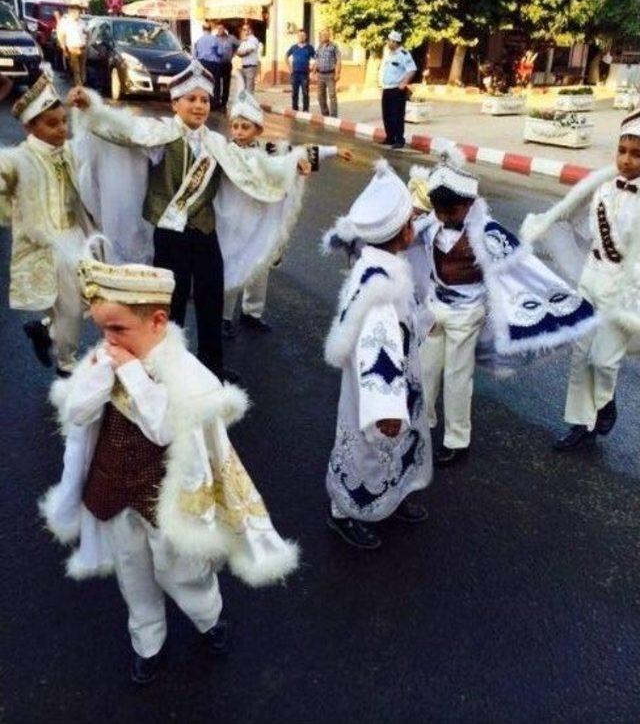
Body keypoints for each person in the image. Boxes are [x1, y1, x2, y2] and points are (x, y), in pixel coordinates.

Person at [40, 258, 298, 685]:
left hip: (168, 500)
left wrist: (130, 375)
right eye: (103, 330)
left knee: (181, 572)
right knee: (133, 573)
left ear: (158, 320)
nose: (109, 341)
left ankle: (209, 618)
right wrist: (100, 375)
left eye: (119, 330)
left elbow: (163, 428)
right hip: (115, 490)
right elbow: (77, 412)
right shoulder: (107, 358)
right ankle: (148, 642)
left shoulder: (185, 373)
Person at [68, 61, 314, 380]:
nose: (199, 105)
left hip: (204, 231)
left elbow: (256, 167)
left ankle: (212, 365)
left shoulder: (216, 143)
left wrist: (294, 165)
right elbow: (123, 131)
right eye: (191, 99)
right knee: (173, 304)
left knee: (211, 299)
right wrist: (92, 107)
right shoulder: (161, 133)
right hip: (171, 234)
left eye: (205, 100)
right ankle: (171, 367)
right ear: (175, 103)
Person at [408, 142, 597, 466]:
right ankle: (421, 428)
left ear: (468, 204)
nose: (444, 217)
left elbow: (525, 269)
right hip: (435, 309)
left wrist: (565, 303)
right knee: (423, 370)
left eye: (450, 211)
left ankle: (457, 441)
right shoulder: (430, 226)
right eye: (438, 211)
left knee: (457, 377)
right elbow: (401, 242)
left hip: (468, 312)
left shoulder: (487, 234)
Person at [322, 159, 432, 550]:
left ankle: (395, 497)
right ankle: (344, 510)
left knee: (398, 447)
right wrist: (386, 407)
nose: (414, 227)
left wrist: (426, 320)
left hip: (401, 373)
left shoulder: (378, 260)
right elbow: (380, 346)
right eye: (410, 222)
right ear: (401, 232)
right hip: (377, 388)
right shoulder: (379, 288)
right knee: (365, 444)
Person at [520, 110, 640, 452]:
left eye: (637, 153)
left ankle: (605, 401)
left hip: (625, 290)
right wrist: (546, 225)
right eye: (623, 150)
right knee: (581, 354)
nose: (627, 160)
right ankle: (580, 424)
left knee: (603, 361)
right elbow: (569, 217)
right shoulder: (600, 185)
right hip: (592, 276)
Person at [221, 89, 349, 338]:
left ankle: (252, 313)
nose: (238, 132)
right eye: (235, 126)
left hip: (261, 221)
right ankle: (224, 318)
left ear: (257, 130)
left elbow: (298, 154)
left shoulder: (270, 149)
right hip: (234, 222)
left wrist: (333, 150)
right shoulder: (226, 152)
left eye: (245, 127)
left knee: (261, 265)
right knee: (233, 267)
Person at [0, 69, 97, 375]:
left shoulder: (67, 151)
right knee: (68, 308)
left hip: (74, 236)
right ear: (30, 126)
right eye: (51, 124)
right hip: (43, 244)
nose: (61, 129)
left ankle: (45, 330)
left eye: (63, 121)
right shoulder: (18, 158)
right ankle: (67, 363)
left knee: (85, 301)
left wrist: (87, 108)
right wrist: (10, 215)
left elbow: (91, 146)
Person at [378, 30, 416, 150]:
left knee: (397, 116)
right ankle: (390, 137)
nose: (388, 43)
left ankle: (399, 140)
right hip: (387, 88)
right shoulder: (388, 53)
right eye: (388, 40)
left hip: (397, 89)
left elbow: (412, 69)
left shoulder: (404, 54)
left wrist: (404, 83)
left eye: (390, 41)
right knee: (387, 115)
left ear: (395, 42)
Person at [313, 28, 341, 117]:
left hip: (330, 75)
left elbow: (338, 61)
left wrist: (337, 73)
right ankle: (325, 114)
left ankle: (333, 116)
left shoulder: (334, 46)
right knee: (320, 96)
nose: (324, 36)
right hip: (320, 75)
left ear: (329, 35)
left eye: (326, 34)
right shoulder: (319, 47)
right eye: (322, 35)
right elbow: (316, 60)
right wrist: (313, 72)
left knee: (332, 96)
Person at [210, 23, 239, 109]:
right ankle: (217, 102)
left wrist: (234, 53)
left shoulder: (231, 38)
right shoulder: (214, 39)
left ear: (224, 29)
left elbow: (238, 45)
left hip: (227, 64)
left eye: (222, 28)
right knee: (217, 84)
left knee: (226, 84)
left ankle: (224, 102)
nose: (220, 30)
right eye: (218, 28)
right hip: (217, 64)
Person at [286, 29, 315, 112]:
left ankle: (305, 110)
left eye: (303, 36)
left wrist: (313, 71)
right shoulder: (294, 47)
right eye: (299, 36)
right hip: (295, 74)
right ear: (297, 37)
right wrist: (289, 68)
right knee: (294, 92)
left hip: (305, 74)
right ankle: (295, 109)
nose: (301, 37)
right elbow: (286, 56)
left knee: (305, 92)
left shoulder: (309, 48)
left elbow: (316, 58)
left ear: (305, 37)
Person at [60, 5, 88, 86]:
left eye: (79, 12)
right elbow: (62, 36)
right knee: (76, 69)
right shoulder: (66, 23)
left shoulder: (82, 22)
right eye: (77, 12)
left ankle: (81, 83)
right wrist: (64, 48)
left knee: (82, 68)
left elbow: (87, 32)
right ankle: (79, 86)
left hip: (82, 48)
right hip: (72, 49)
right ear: (72, 13)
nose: (78, 14)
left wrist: (87, 42)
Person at [236, 23, 262, 94]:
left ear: (250, 30)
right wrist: (241, 53)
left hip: (251, 67)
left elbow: (249, 51)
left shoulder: (253, 40)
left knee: (249, 90)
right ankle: (244, 104)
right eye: (244, 30)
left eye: (247, 29)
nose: (245, 31)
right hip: (244, 67)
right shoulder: (244, 41)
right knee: (243, 89)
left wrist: (242, 53)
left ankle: (250, 104)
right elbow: (238, 52)